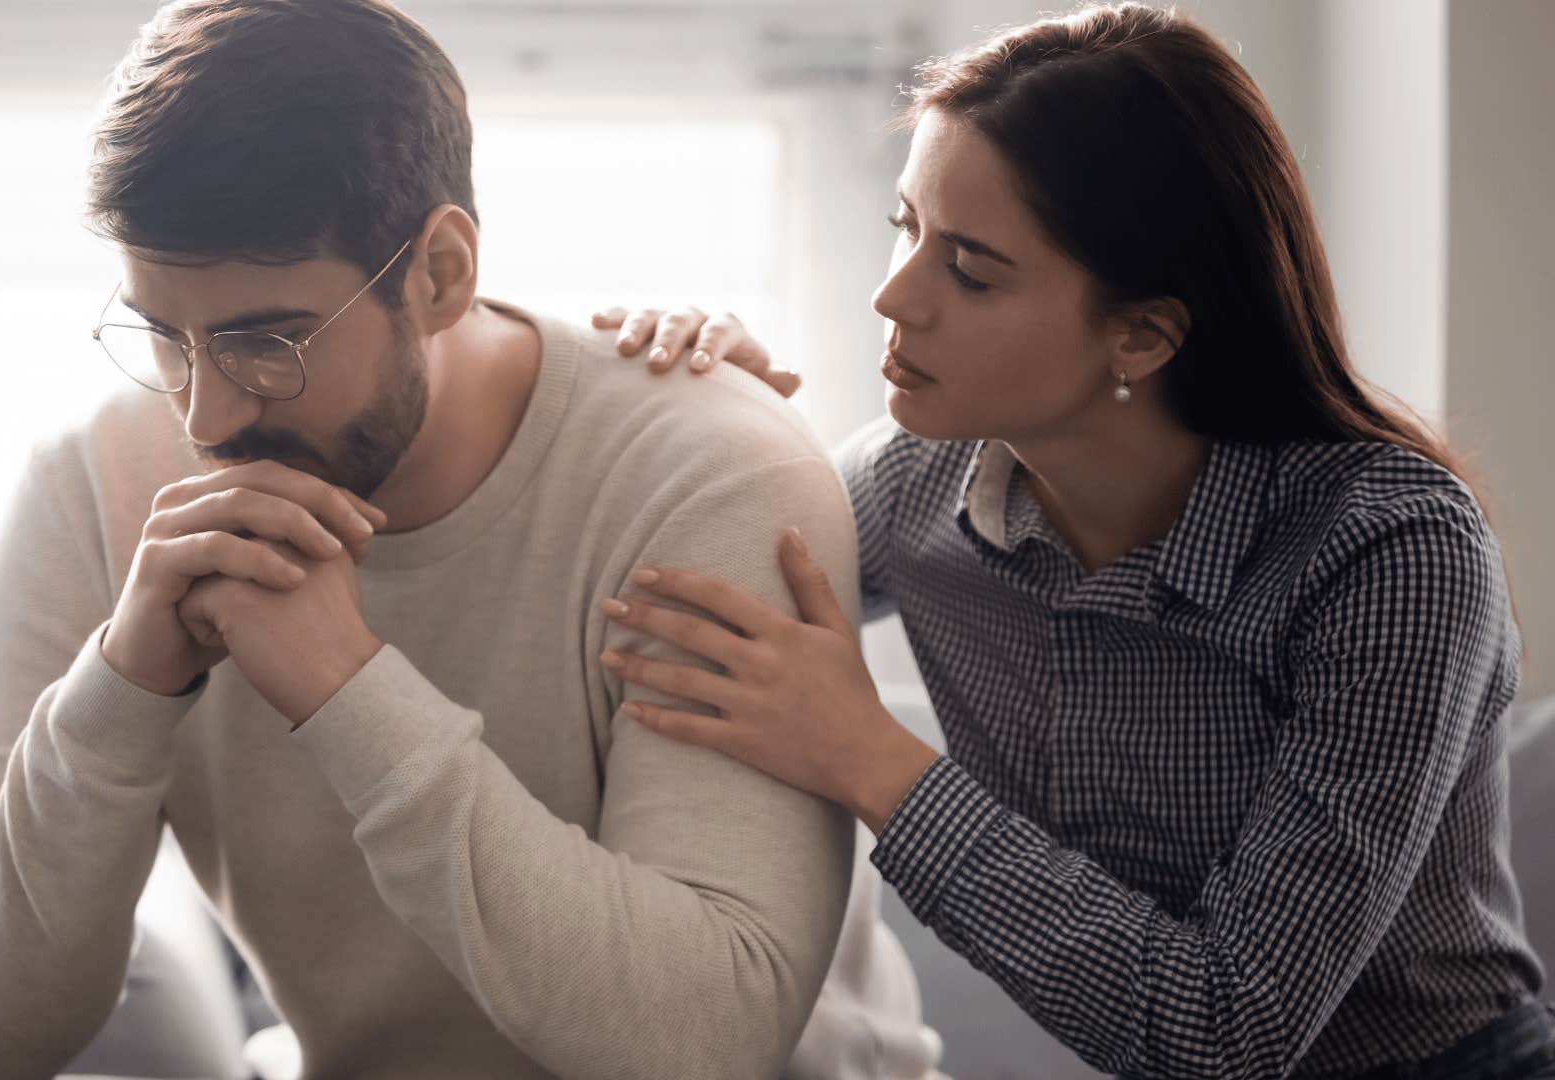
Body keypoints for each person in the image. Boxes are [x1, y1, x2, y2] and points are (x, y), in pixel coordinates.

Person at [0, 1, 933, 1078]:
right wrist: (122, 689)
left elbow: (700, 1044)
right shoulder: (97, 484)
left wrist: (348, 691)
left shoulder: (710, 476)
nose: (205, 422)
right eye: (163, 337)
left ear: (439, 272)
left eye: (266, 342)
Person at [595, 3, 1554, 1077]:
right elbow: (682, 582)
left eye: (968, 269)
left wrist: (866, 754)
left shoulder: (1393, 552)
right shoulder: (915, 483)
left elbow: (1228, 1032)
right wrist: (715, 413)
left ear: (1141, 332)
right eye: (904, 228)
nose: (893, 295)